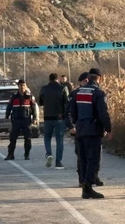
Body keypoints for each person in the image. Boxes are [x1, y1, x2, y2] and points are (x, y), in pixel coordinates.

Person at [69, 68, 112, 199]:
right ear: (99, 78)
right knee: (93, 158)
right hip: (93, 130)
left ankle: (84, 185)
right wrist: (108, 129)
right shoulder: (98, 93)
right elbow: (103, 113)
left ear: (88, 77)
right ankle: (88, 187)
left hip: (80, 129)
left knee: (83, 158)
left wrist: (76, 124)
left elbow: (72, 112)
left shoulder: (77, 92)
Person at [65, 72, 104, 187]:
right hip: (80, 129)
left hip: (89, 128)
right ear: (81, 82)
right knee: (82, 156)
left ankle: (93, 177)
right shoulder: (75, 94)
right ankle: (83, 179)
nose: (87, 83)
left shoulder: (94, 92)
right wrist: (72, 126)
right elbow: (68, 112)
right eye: (85, 81)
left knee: (95, 155)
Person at [39, 73, 69, 169]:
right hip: (59, 118)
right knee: (59, 140)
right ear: (57, 79)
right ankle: (58, 162)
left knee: (47, 137)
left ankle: (49, 154)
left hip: (47, 117)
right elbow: (67, 103)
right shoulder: (63, 88)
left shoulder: (44, 88)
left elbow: (40, 102)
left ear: (49, 79)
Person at [4, 79, 37, 160]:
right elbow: (9, 107)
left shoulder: (29, 96)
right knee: (13, 138)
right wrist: (6, 116)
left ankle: (27, 154)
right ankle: (10, 154)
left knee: (27, 137)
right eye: (20, 85)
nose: (22, 87)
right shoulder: (14, 96)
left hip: (26, 120)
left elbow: (33, 108)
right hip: (16, 120)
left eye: (23, 85)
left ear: (26, 86)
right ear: (18, 86)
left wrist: (35, 118)